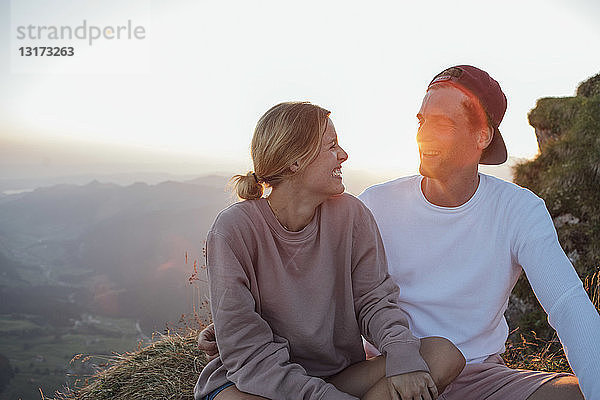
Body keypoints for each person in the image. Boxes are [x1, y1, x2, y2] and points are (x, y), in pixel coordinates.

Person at [193, 102, 465, 400]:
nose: (343, 155)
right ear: (295, 161)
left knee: (442, 355)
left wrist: (402, 356)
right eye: (331, 146)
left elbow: (374, 300)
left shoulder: (351, 214)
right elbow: (248, 352)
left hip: (336, 375)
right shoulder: (233, 229)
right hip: (258, 384)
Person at [358, 65, 600, 400]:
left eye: (441, 124)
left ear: (481, 136)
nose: (423, 134)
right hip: (394, 373)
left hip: (483, 380)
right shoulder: (374, 204)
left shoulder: (518, 209)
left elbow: (567, 303)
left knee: (576, 395)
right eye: (421, 121)